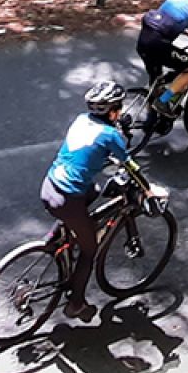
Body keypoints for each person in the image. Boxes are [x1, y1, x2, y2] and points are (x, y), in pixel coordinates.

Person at [43, 81, 137, 322]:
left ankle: (55, 239)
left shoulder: (81, 120)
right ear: (114, 110)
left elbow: (90, 152)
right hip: (67, 199)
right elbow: (129, 165)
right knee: (89, 249)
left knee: (93, 189)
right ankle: (76, 304)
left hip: (50, 186)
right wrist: (149, 190)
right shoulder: (110, 135)